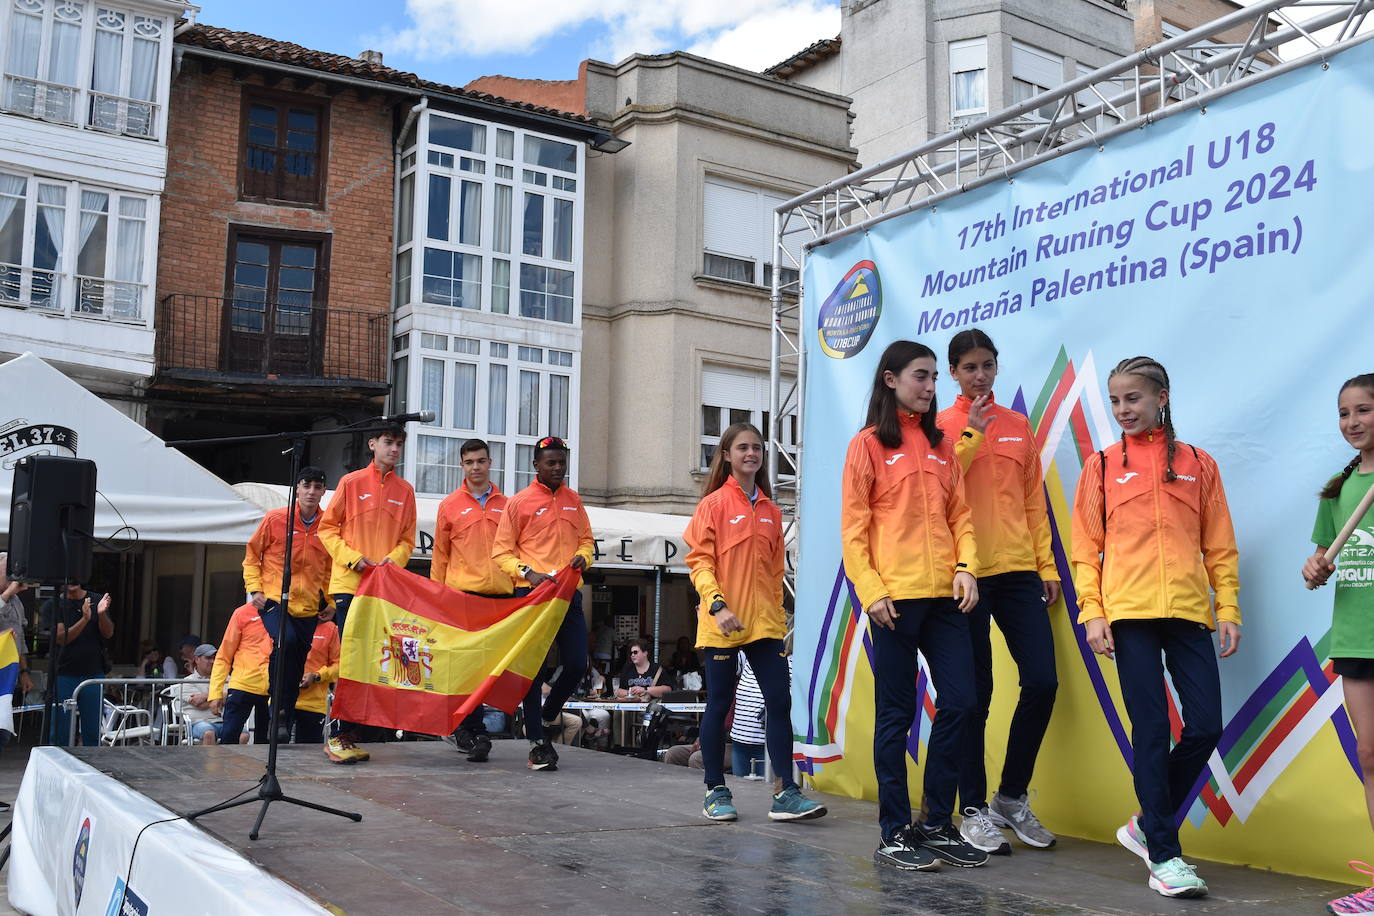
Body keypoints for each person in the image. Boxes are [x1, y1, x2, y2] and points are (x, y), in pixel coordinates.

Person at [1072, 356, 1240, 899]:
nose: (1123, 409)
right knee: (1150, 733)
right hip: (1129, 615)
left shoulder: (1199, 464)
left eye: (1134, 399)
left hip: (1190, 612)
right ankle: (1165, 856)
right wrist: (1092, 612)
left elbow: (1219, 545)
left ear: (1161, 397)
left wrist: (1229, 609)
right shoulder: (1099, 466)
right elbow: (1085, 549)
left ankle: (1147, 823)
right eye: (1116, 400)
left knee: (1206, 727)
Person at [841, 340, 983, 870]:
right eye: (920, 377)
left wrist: (967, 566)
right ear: (890, 380)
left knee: (963, 703)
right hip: (894, 602)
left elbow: (962, 516)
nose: (929, 387)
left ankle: (937, 824)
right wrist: (872, 591)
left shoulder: (944, 445)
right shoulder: (867, 446)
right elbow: (853, 532)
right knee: (895, 716)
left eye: (931, 379)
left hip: (945, 597)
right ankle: (894, 831)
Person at [936, 330, 1060, 854]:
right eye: (969, 368)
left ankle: (1011, 796)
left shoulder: (1018, 425)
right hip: (964, 575)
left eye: (987, 365)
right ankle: (973, 808)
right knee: (975, 697)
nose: (980, 375)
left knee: (1043, 682)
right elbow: (939, 490)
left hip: (1017, 571)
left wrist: (1047, 566)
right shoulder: (940, 425)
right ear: (953, 373)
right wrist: (971, 434)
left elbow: (1033, 502)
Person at [686, 421, 826, 823]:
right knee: (720, 704)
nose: (751, 454)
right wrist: (716, 606)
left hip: (764, 626)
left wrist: (779, 619)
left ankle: (785, 791)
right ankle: (715, 789)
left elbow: (774, 571)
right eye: (743, 447)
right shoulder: (712, 505)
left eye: (757, 448)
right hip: (723, 623)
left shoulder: (769, 510)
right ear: (727, 455)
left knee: (780, 702)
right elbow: (698, 563)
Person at [1301, 373, 1374, 915]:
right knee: (1370, 755)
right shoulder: (1339, 487)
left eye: (1364, 411)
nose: (1353, 422)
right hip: (1355, 636)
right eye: (1345, 413)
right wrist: (1315, 567)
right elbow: (1323, 561)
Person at [493, 435, 594, 772]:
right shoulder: (518, 502)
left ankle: (549, 713)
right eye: (550, 462)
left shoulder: (573, 500)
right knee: (532, 670)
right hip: (532, 595)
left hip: (568, 594)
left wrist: (583, 557)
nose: (557, 468)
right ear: (536, 465)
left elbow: (587, 541)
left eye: (562, 462)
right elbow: (501, 552)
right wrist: (528, 572)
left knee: (578, 662)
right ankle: (537, 742)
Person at [319, 425, 416, 764]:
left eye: (399, 444)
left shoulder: (405, 490)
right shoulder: (350, 483)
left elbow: (407, 540)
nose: (394, 449)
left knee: (375, 660)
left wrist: (393, 561)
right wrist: (354, 559)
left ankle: (351, 733)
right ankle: (337, 733)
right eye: (389, 443)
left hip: (383, 589)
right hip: (349, 585)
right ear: (373, 444)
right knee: (352, 657)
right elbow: (326, 529)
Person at [431, 439, 512, 763]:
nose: (475, 467)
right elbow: (440, 555)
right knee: (465, 666)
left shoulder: (508, 505)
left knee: (491, 666)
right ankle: (474, 729)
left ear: (490, 463)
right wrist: (437, 598)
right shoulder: (449, 505)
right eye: (469, 462)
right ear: (461, 466)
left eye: (481, 461)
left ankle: (473, 727)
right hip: (462, 595)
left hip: (501, 597)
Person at [243, 465, 332, 743]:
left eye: (317, 487)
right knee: (287, 642)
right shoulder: (275, 519)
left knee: (297, 660)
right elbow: (251, 555)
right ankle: (277, 710)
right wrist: (254, 588)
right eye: (306, 485)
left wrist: (329, 601)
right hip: (274, 599)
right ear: (297, 489)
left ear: (323, 491)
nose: (311, 492)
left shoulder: (328, 525)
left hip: (308, 606)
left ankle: (284, 716)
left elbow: (331, 568)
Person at [43, 584, 113, 746]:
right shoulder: (53, 604)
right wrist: (84, 619)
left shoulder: (96, 599)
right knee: (61, 730)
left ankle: (91, 767)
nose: (73, 580)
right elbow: (61, 638)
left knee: (92, 729)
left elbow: (108, 633)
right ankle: (60, 767)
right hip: (63, 673)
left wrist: (101, 614)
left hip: (93, 673)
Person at [207, 602, 274, 745]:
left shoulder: (284, 611)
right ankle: (223, 767)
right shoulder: (242, 613)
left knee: (267, 743)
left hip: (273, 687)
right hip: (243, 684)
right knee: (229, 737)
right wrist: (215, 693)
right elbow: (224, 656)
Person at [168, 644, 243, 746]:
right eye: (208, 658)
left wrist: (205, 696)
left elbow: (233, 696)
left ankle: (233, 762)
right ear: (197, 659)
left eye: (214, 658)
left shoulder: (226, 678)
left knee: (243, 734)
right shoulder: (187, 681)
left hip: (224, 721)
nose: (212, 661)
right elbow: (198, 703)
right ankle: (211, 762)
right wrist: (220, 697)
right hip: (199, 722)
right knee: (208, 733)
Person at [293, 609, 341, 745]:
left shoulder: (330, 629)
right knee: (277, 753)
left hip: (313, 705)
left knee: (307, 757)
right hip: (284, 702)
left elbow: (338, 666)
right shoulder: (288, 623)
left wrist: (316, 676)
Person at [0, 555, 32, 752]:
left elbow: (19, 639)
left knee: (2, 731)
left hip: (6, 675)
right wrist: (4, 596)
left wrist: (24, 672)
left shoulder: (17, 601)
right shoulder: (7, 597)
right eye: (7, 572)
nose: (12, 578)